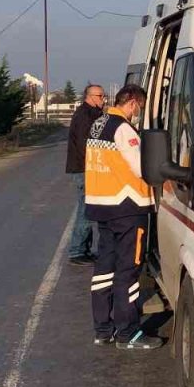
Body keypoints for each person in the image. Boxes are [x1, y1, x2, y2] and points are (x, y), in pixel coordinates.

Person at [85, 84, 163, 350]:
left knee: (104, 270)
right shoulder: (123, 128)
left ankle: (103, 330)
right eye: (138, 107)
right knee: (128, 271)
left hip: (103, 206)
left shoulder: (98, 124)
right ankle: (128, 333)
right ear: (131, 102)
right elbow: (143, 167)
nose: (137, 113)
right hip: (128, 207)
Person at [65, 84, 105, 265]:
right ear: (90, 96)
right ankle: (77, 251)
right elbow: (85, 145)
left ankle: (84, 249)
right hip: (84, 169)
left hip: (84, 168)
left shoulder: (91, 113)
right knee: (85, 211)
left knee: (87, 209)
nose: (103, 99)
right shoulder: (84, 115)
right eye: (100, 96)